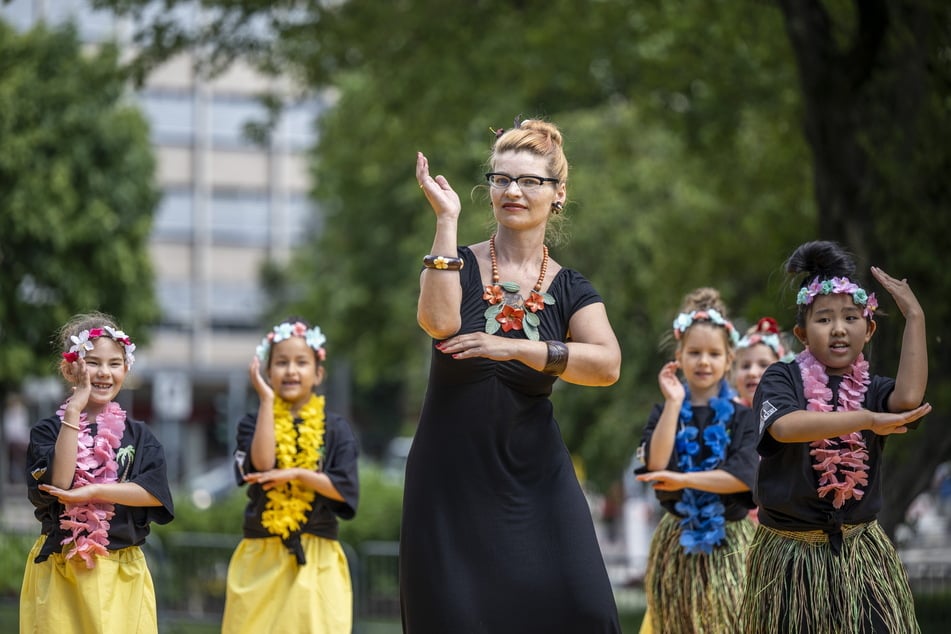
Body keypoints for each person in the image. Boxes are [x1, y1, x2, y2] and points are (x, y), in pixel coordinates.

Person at [401, 117, 623, 633]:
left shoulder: (570, 287)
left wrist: (512, 348)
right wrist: (446, 221)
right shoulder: (452, 261)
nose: (512, 191)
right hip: (450, 479)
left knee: (585, 609)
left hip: (536, 477)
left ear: (558, 194)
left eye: (528, 181)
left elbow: (607, 365)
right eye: (501, 179)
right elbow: (438, 322)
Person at [739, 240, 930, 633]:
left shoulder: (872, 389)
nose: (839, 328)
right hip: (791, 562)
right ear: (802, 334)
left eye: (850, 317)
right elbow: (785, 427)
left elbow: (909, 397)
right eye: (824, 319)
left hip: (861, 555)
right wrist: (864, 420)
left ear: (869, 328)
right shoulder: (782, 377)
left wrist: (915, 316)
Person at [20, 312, 174, 634]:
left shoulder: (140, 435)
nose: (104, 372)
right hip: (62, 569)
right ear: (70, 368)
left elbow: (152, 490)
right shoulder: (47, 431)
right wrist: (74, 411)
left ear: (126, 369)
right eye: (92, 362)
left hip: (122, 573)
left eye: (114, 363)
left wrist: (94, 492)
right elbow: (59, 483)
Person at [222, 318, 359, 634]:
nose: (291, 370)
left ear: (318, 373)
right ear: (268, 372)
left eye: (301, 362)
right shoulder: (251, 423)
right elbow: (263, 462)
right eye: (281, 362)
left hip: (317, 556)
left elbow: (345, 489)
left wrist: (298, 474)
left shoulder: (335, 429)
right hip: (261, 552)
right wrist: (267, 400)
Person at [635, 288, 758, 634]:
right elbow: (657, 465)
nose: (704, 361)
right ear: (679, 356)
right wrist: (673, 403)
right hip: (678, 541)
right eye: (695, 352)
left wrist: (685, 480)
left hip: (731, 544)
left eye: (714, 353)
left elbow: (742, 477)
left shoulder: (741, 418)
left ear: (728, 359)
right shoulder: (664, 413)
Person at [733, 316, 793, 407]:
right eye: (745, 366)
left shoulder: (795, 413)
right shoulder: (726, 415)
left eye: (763, 365)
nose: (752, 372)